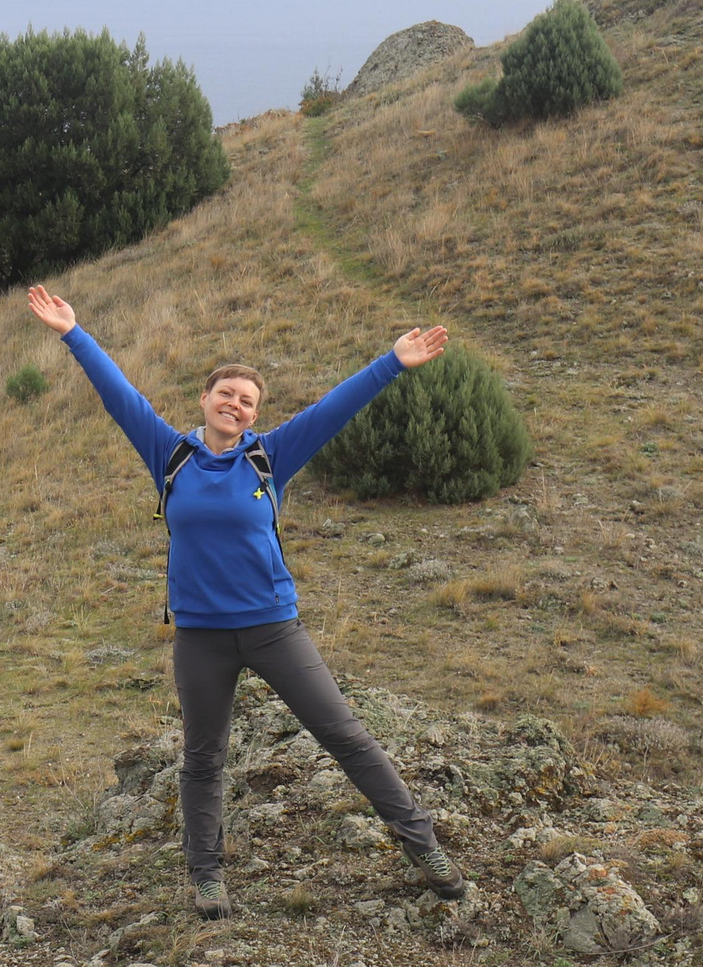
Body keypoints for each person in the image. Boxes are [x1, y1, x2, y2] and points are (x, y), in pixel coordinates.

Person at [25, 284, 469, 920]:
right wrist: (74, 334)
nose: (235, 404)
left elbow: (332, 409)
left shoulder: (269, 457)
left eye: (247, 400)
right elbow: (119, 396)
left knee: (344, 736)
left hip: (273, 628)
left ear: (255, 415)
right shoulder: (169, 455)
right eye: (226, 394)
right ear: (204, 400)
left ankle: (424, 847)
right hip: (201, 638)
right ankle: (207, 877)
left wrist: (392, 362)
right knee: (204, 758)